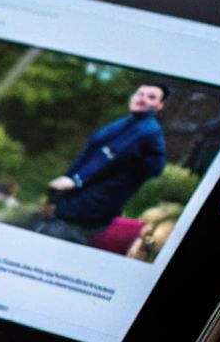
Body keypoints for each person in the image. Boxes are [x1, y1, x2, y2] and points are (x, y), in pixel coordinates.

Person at [36, 83, 170, 245]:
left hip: (86, 212)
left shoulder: (147, 130)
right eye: (140, 94)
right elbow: (89, 155)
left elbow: (109, 156)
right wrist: (57, 195)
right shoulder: (125, 123)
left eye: (151, 97)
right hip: (74, 205)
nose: (143, 99)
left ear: (159, 105)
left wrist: (75, 180)